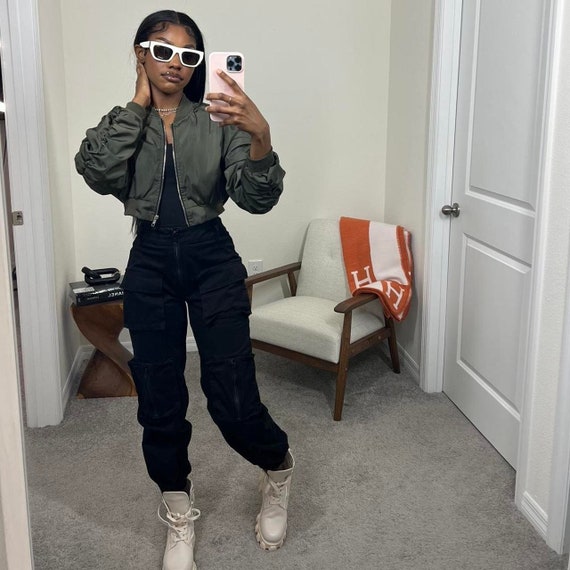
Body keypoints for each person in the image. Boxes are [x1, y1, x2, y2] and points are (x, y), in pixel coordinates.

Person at [75, 10, 294, 570]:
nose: (176, 63)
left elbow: (256, 199)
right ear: (141, 54)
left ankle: (278, 469)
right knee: (159, 398)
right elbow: (96, 171)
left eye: (189, 55)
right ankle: (178, 508)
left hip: (211, 257)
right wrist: (139, 103)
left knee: (233, 396)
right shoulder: (125, 122)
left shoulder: (219, 119)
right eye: (162, 50)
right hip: (149, 262)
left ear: (200, 64)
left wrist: (260, 134)